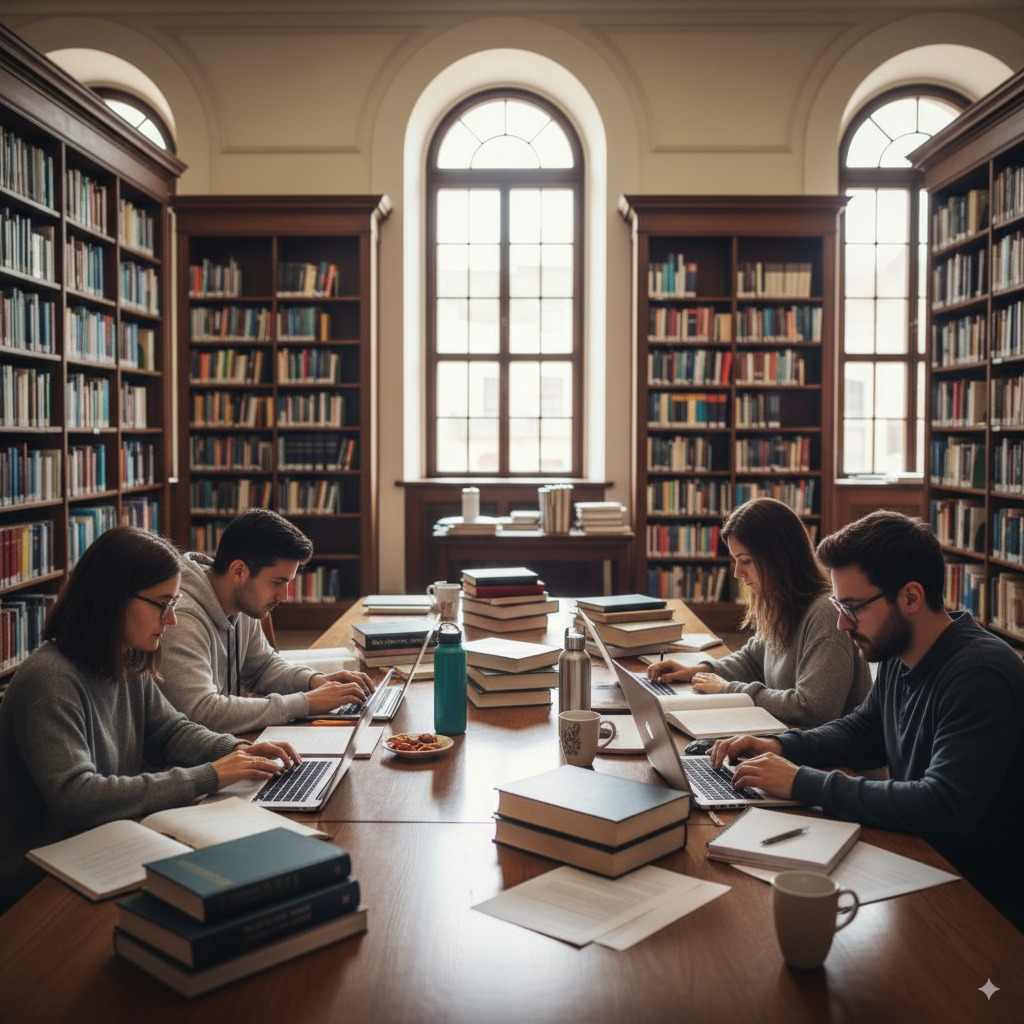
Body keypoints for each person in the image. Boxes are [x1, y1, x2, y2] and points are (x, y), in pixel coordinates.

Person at [709, 510, 1024, 931]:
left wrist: (801, 780)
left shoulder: (979, 675)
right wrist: (781, 746)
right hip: (925, 863)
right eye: (839, 605)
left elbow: (942, 806)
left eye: (853, 607)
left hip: (982, 905)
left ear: (911, 597)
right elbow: (864, 730)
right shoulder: (900, 652)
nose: (841, 622)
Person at [0, 527, 302, 912]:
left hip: (102, 844)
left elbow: (170, 731)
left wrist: (239, 751)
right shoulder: (49, 681)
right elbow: (77, 798)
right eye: (162, 604)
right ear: (112, 600)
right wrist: (210, 774)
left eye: (173, 603)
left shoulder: (124, 658)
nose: (172, 620)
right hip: (37, 882)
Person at [648, 498, 871, 726]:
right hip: (790, 739)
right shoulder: (780, 601)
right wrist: (697, 671)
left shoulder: (826, 614)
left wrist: (729, 689)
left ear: (779, 557)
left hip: (829, 759)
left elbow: (812, 709)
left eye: (745, 561)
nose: (737, 573)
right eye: (736, 561)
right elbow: (753, 660)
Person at [158, 508, 374, 733]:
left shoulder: (241, 602)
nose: (284, 596)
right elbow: (202, 712)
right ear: (239, 571)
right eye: (277, 582)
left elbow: (262, 667)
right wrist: (307, 702)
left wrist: (314, 681)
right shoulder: (180, 618)